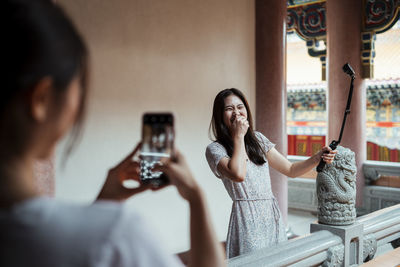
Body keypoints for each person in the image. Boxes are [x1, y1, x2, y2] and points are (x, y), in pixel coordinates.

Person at [0, 1, 225, 266]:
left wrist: (104, 202)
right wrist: (195, 197)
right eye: (78, 86)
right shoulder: (117, 235)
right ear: (41, 99)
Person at [205, 88, 336, 258]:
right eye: (229, 109)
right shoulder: (215, 149)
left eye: (240, 107)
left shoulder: (258, 139)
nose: (236, 113)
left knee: (278, 260)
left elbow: (291, 170)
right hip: (246, 218)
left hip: (271, 214)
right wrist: (239, 137)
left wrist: (317, 158)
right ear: (220, 115)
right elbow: (238, 174)